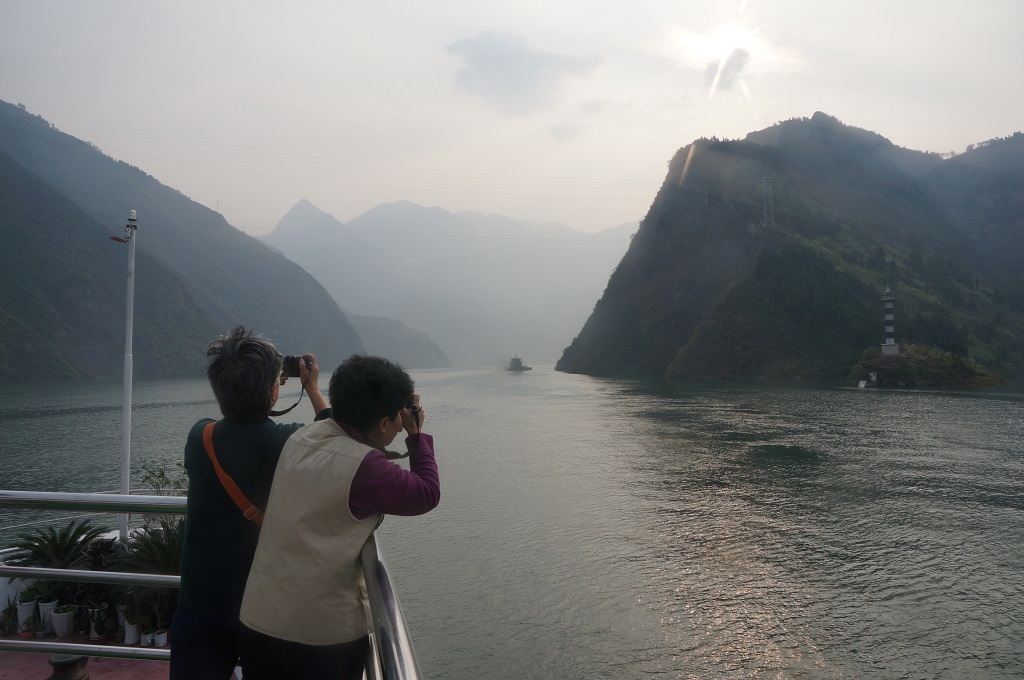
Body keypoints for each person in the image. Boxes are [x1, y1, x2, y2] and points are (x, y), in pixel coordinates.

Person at [238, 355, 441, 680]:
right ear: (385, 424)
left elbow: (335, 422)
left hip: (259, 621)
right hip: (320, 639)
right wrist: (416, 436)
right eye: (397, 420)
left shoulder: (301, 438)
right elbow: (427, 492)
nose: (401, 424)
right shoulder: (365, 467)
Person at [170, 326, 331, 680]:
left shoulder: (201, 436)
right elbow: (336, 431)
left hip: (200, 601)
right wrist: (313, 388)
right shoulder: (288, 442)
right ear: (274, 390)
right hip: (262, 606)